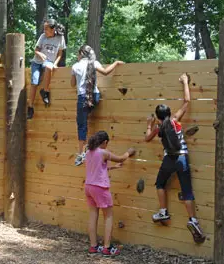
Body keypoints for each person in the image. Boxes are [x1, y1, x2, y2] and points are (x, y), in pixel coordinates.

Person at [144, 73, 206, 243]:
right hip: (182, 159)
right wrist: (185, 81)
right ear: (169, 113)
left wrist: (149, 125)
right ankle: (192, 219)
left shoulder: (158, 127)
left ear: (157, 116)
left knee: (160, 184)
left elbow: (147, 138)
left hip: (168, 160)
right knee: (187, 191)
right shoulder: (175, 120)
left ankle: (163, 211)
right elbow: (187, 101)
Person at [71, 45, 125, 166]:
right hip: (95, 97)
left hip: (83, 98)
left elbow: (72, 84)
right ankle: (88, 148)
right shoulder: (94, 63)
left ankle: (81, 153)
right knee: (84, 118)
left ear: (81, 54)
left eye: (77, 54)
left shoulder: (75, 66)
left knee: (81, 125)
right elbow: (105, 72)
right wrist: (115, 63)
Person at [84, 131, 135, 257]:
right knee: (108, 216)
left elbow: (97, 168)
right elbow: (121, 158)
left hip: (88, 187)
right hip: (100, 188)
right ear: (105, 142)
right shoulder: (103, 152)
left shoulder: (88, 152)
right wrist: (129, 152)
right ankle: (107, 248)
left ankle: (93, 246)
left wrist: (114, 168)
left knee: (93, 215)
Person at [27, 19, 66, 119]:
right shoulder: (43, 36)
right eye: (44, 28)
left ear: (53, 30)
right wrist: (40, 54)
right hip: (37, 62)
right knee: (34, 82)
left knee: (49, 67)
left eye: (46, 29)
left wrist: (55, 64)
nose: (44, 31)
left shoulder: (60, 38)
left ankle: (45, 91)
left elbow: (60, 54)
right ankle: (30, 107)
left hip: (49, 62)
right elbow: (36, 50)